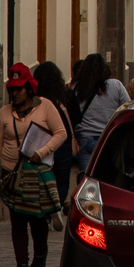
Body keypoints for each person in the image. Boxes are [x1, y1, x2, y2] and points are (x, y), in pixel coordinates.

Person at [0, 63, 67, 267]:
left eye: (18, 89)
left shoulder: (46, 107)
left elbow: (61, 134)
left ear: (29, 88)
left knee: (37, 218)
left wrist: (41, 152)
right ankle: (21, 263)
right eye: (11, 89)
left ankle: (40, 256)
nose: (14, 94)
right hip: (11, 173)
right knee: (17, 218)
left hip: (36, 173)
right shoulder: (4, 114)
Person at [69, 54, 131, 172]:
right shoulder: (116, 85)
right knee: (108, 177)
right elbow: (128, 108)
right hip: (108, 137)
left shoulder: (77, 87)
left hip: (85, 137)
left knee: (87, 178)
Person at [34, 62, 79, 223]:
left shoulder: (35, 98)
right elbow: (76, 117)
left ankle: (44, 209)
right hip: (63, 141)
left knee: (43, 176)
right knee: (62, 176)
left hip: (42, 141)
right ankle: (55, 206)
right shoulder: (66, 95)